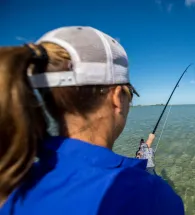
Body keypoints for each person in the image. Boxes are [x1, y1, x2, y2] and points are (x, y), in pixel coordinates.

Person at [0, 26, 184, 215]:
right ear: (117, 97)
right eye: (130, 95)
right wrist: (148, 171)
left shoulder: (12, 186)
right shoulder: (150, 196)